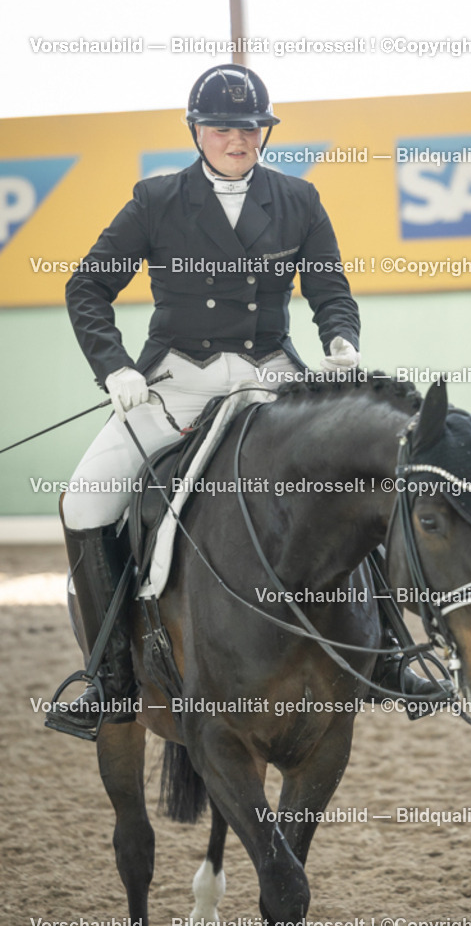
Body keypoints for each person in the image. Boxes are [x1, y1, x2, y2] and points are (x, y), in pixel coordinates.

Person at [51, 65, 362, 734]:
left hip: (270, 375)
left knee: (357, 473)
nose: (237, 139)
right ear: (196, 130)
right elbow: (87, 288)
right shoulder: (157, 199)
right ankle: (110, 681)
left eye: (251, 128)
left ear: (264, 134)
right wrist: (114, 369)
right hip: (177, 379)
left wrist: (341, 341)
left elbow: (330, 287)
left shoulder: (298, 199)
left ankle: (386, 654)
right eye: (222, 127)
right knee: (85, 499)